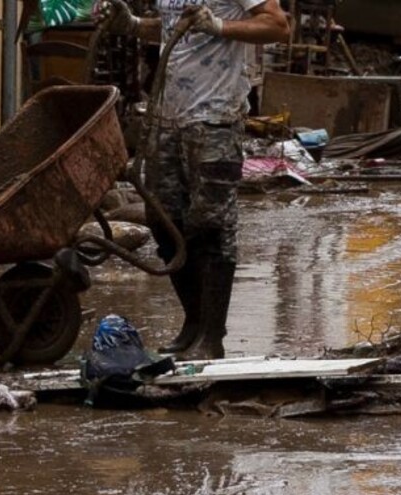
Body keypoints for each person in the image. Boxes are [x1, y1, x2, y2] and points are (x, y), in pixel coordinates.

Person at [99, 0, 288, 360]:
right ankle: (194, 322)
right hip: (167, 116)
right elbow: (176, 27)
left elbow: (278, 26)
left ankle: (212, 336)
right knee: (164, 220)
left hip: (215, 117)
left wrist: (220, 26)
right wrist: (135, 25)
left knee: (211, 226)